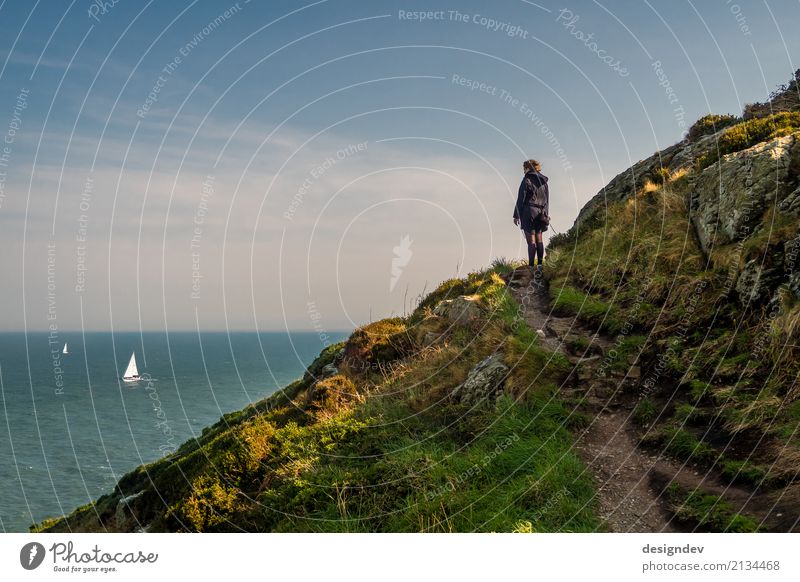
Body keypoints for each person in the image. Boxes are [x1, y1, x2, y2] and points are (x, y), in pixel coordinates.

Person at [513, 159, 550, 268]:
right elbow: (547, 200)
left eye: (524, 168)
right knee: (539, 239)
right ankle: (539, 264)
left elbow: (521, 198)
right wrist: (546, 214)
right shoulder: (544, 182)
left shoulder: (526, 179)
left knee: (531, 241)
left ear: (528, 168)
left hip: (528, 211)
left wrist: (516, 215)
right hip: (540, 212)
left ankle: (530, 266)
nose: (523, 171)